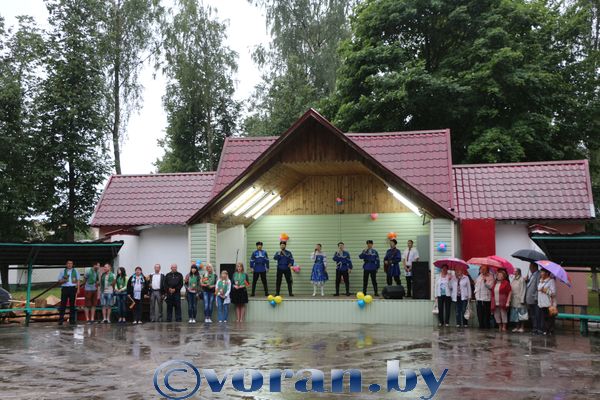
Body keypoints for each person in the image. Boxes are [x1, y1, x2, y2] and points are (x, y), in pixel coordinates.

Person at [57, 260, 80, 326]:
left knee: (72, 304)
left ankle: (72, 320)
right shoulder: (62, 271)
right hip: (65, 288)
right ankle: (61, 320)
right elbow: (59, 281)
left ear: (72, 264)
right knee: (63, 304)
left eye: (71, 263)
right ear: (66, 264)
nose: (70, 265)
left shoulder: (75, 271)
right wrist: (64, 280)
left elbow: (78, 280)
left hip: (73, 288)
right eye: (68, 263)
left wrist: (78, 289)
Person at [537, 268, 556, 335]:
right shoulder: (540, 281)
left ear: (547, 273)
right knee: (544, 318)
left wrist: (546, 291)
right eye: (541, 272)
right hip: (542, 303)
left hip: (549, 303)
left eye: (542, 272)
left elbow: (553, 293)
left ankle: (550, 331)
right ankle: (546, 330)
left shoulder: (551, 281)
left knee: (549, 318)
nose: (541, 273)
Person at [525, 262, 541, 334]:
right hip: (529, 299)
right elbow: (529, 286)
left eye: (530, 267)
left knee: (537, 315)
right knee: (532, 315)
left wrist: (536, 297)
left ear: (534, 267)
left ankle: (538, 329)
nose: (529, 268)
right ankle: (534, 328)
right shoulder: (532, 275)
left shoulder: (538, 274)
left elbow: (538, 287)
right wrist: (526, 281)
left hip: (534, 299)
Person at [510, 268, 527, 332]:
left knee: (522, 314)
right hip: (514, 299)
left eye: (515, 271)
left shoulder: (522, 279)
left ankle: (522, 327)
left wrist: (522, 299)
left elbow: (523, 289)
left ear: (518, 272)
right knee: (515, 314)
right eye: (513, 271)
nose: (514, 272)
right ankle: (517, 327)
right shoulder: (513, 279)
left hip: (520, 299)